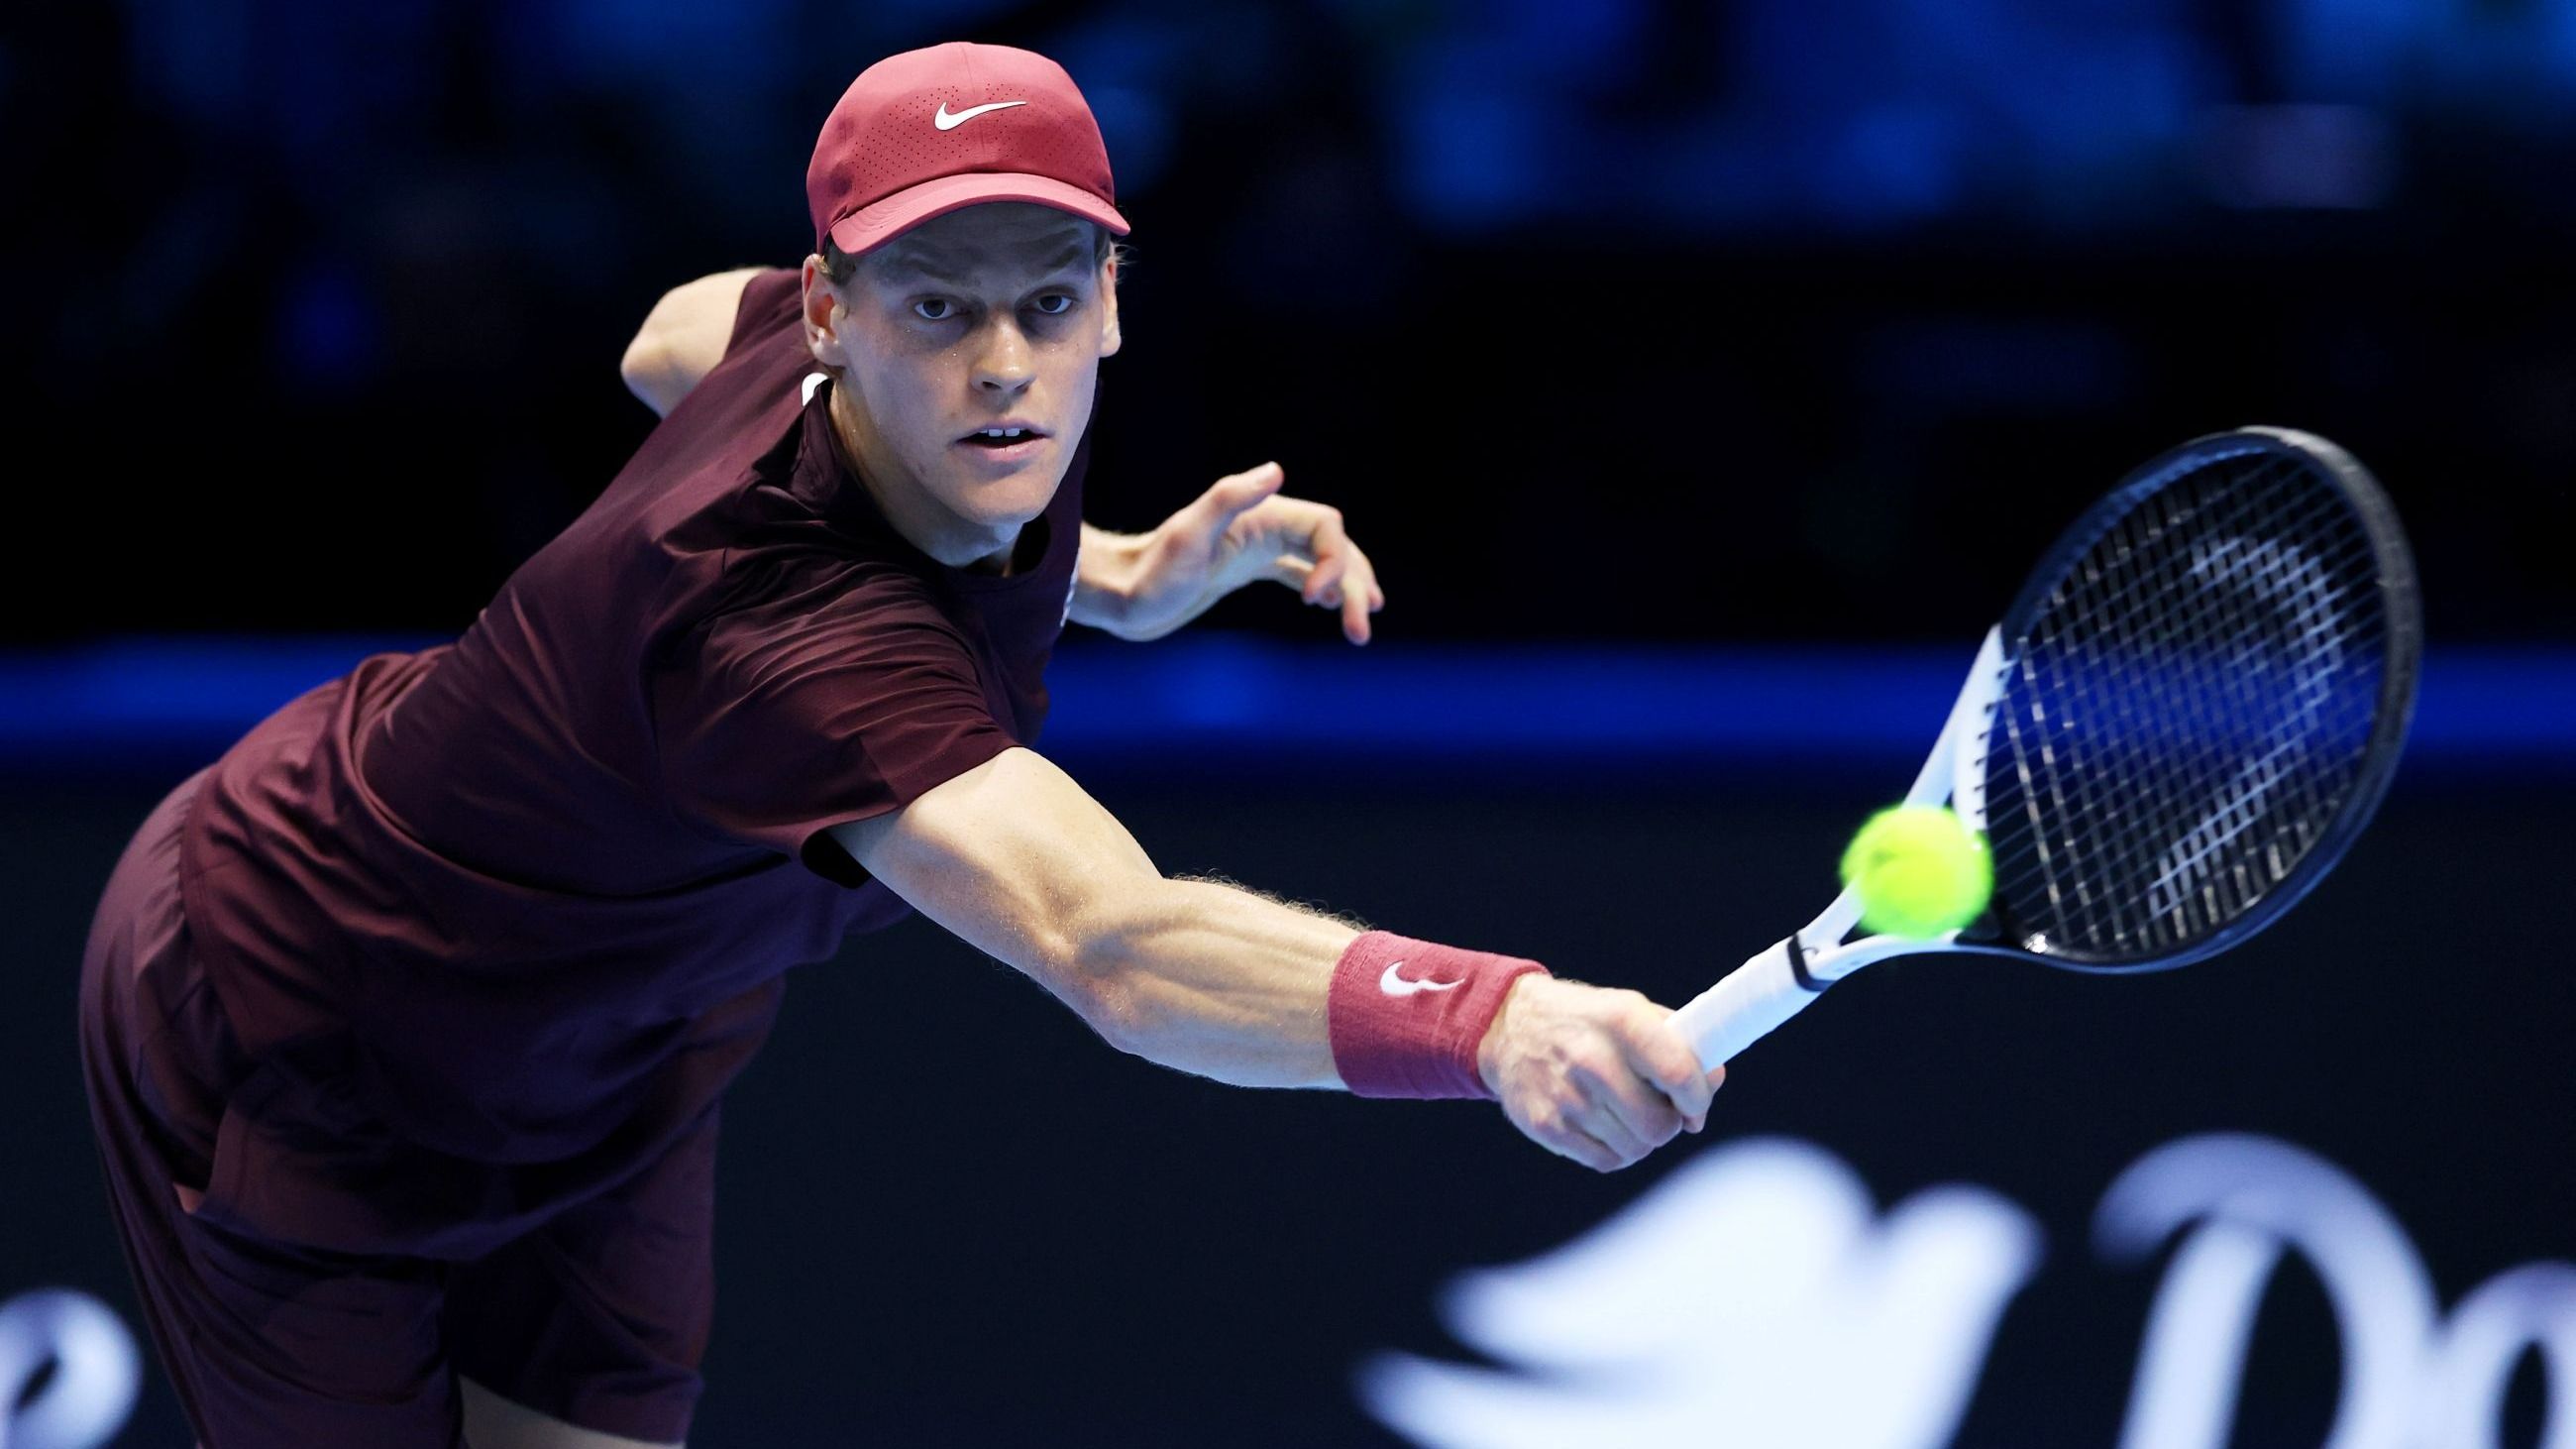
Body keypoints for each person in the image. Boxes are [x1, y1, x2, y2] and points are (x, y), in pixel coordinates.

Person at [76, 40, 1724, 1449]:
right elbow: (1121, 948)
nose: (1002, 368)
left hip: (611, 1046)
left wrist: (1128, 573)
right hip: (311, 1011)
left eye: (1049, 301)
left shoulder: (871, 381)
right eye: (936, 306)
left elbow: (663, 333)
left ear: (1111, 305)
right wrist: (1495, 1016)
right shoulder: (785, 636)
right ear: (831, 309)